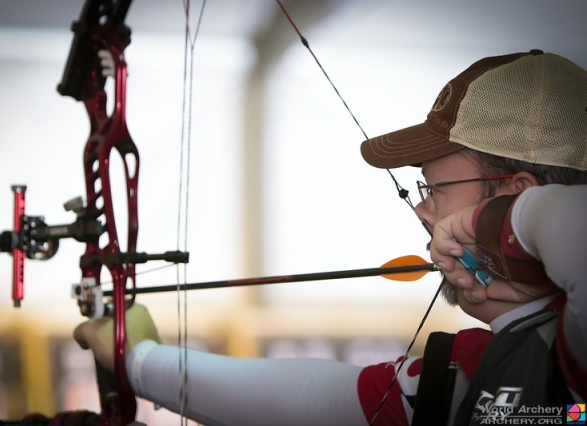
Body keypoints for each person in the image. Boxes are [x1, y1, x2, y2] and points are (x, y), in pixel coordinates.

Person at [74, 50, 587, 425]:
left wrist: (505, 221)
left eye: (436, 188)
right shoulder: (481, 374)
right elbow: (312, 401)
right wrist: (137, 358)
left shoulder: (573, 354)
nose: (422, 210)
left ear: (517, 197)